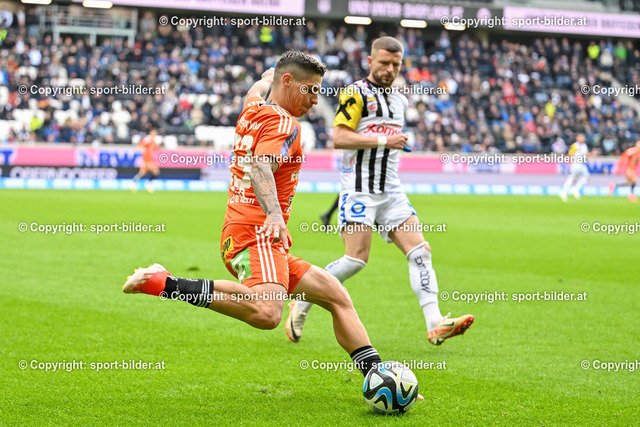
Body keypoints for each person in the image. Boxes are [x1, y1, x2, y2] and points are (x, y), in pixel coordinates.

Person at [122, 51, 399, 383]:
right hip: (259, 233)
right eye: (310, 90)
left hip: (245, 231)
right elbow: (260, 167)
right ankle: (165, 283)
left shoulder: (253, 108)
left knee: (335, 295)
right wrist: (275, 215)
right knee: (267, 312)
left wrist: (266, 78)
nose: (315, 100)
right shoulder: (284, 123)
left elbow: (257, 87)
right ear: (288, 82)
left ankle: (377, 375)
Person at [285, 37, 474, 346]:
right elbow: (340, 138)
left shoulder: (400, 101)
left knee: (421, 251)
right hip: (359, 189)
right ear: (370, 61)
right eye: (384, 63)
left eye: (396, 65)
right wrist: (386, 141)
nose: (389, 69)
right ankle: (302, 301)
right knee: (355, 260)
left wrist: (391, 144)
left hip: (392, 190)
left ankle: (435, 323)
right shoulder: (355, 93)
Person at [559, 133, 590, 202]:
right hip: (575, 164)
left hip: (582, 164)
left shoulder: (584, 146)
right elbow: (570, 154)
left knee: (586, 177)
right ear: (577, 138)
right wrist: (570, 163)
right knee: (572, 179)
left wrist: (588, 155)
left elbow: (585, 155)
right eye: (581, 137)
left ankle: (575, 189)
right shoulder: (575, 145)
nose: (583, 138)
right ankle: (563, 192)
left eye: (583, 137)